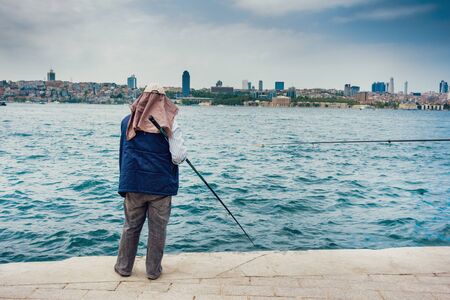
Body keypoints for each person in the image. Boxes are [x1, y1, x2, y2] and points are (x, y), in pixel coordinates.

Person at [114, 85, 187, 280]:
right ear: (163, 100)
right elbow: (178, 156)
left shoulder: (126, 122)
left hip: (134, 183)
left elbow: (123, 151)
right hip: (160, 186)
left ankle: (123, 267)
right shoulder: (170, 124)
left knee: (131, 226)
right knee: (157, 230)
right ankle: (153, 271)